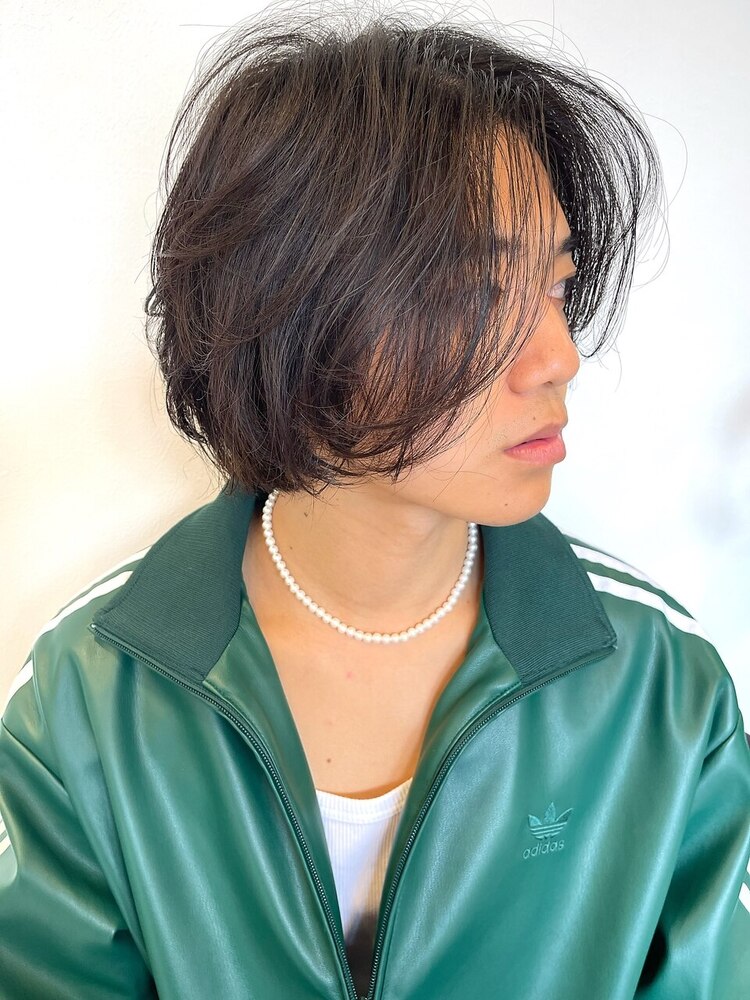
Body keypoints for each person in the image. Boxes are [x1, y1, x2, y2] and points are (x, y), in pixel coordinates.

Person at [1, 6, 749, 998]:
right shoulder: (94, 694)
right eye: (477, 295)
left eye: (558, 286)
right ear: (295, 308)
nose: (560, 357)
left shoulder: (660, 691)